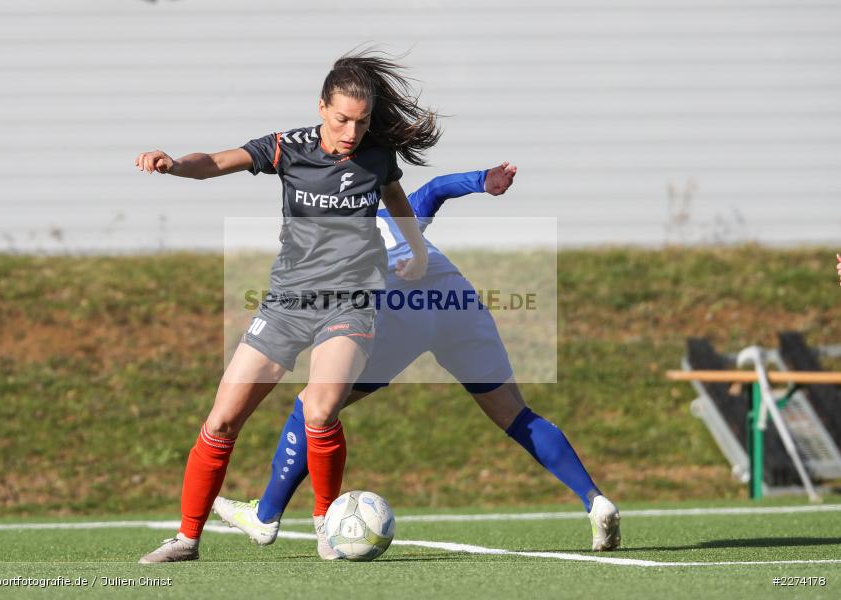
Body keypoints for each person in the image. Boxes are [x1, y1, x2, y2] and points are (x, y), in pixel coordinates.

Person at [213, 163, 622, 556]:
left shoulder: (336, 237)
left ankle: (265, 516)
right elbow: (438, 187)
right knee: (516, 415)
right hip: (458, 302)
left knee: (312, 407)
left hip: (402, 313)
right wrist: (484, 179)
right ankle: (594, 500)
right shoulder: (397, 211)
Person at [134, 50, 442, 563]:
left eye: (361, 122)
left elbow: (395, 197)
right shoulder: (287, 148)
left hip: (351, 300)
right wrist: (173, 165)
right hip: (287, 301)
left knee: (320, 408)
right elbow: (215, 163)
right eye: (342, 119)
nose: (351, 132)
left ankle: (326, 525)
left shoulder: (377, 154)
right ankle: (187, 538)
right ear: (322, 107)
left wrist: (417, 248)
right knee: (221, 421)